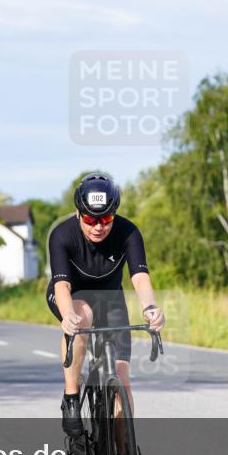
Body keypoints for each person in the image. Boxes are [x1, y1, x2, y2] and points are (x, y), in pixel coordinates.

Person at [47, 173, 165, 438]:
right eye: (90, 219)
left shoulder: (128, 231)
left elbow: (139, 275)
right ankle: (72, 398)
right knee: (81, 316)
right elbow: (62, 285)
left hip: (111, 299)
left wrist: (150, 308)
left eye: (106, 219)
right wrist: (68, 316)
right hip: (71, 296)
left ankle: (123, 452)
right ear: (79, 213)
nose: (98, 226)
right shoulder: (62, 235)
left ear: (114, 214)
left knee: (123, 379)